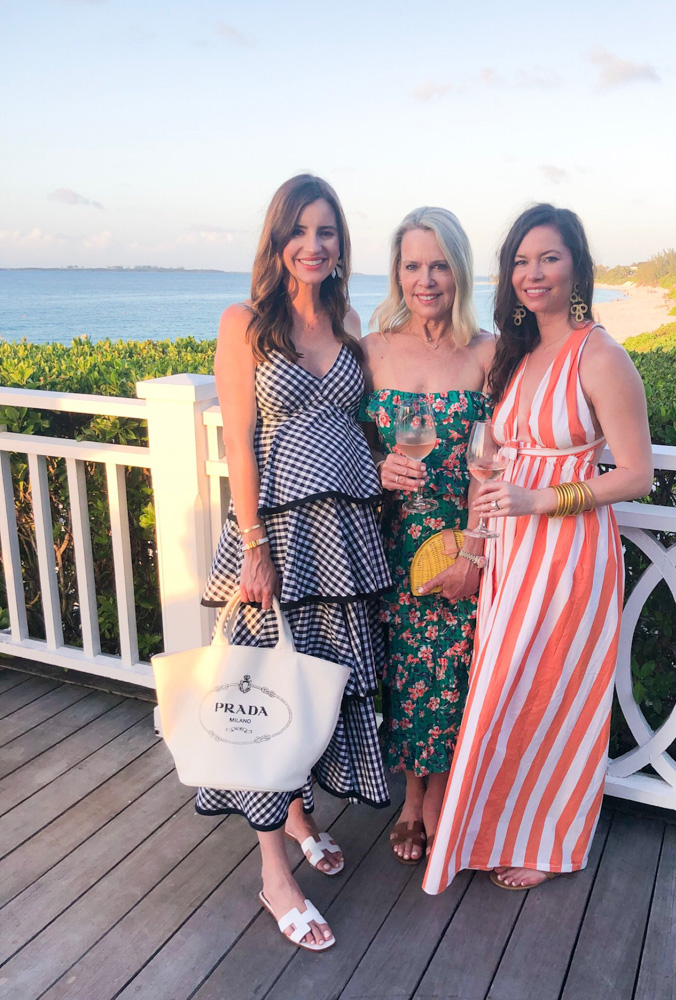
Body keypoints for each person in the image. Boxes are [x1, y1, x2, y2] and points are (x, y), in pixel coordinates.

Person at [423, 204, 653, 894]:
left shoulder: (601, 354)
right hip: (512, 554)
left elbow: (637, 473)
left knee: (558, 693)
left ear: (577, 265)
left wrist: (543, 499)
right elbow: (491, 461)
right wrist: (481, 541)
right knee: (507, 692)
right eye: (520, 262)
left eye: (548, 258)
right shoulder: (517, 353)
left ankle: (553, 843)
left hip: (570, 555)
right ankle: (493, 829)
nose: (533, 273)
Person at [198, 175, 392, 950]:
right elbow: (239, 440)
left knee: (316, 687)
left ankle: (303, 813)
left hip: (343, 538)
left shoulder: (348, 321)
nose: (315, 245)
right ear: (277, 242)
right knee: (264, 701)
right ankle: (275, 873)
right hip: (276, 538)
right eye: (300, 231)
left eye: (328, 231)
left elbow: (366, 426)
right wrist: (253, 544)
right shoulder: (245, 322)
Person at [361, 207, 495, 864]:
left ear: (460, 271)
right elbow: (344, 445)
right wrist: (376, 467)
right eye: (412, 265)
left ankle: (437, 795)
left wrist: (475, 548)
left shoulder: (487, 352)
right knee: (406, 672)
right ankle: (412, 798)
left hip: (455, 541)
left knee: (452, 669)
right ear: (397, 273)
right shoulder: (375, 349)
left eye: (439, 264)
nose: (426, 279)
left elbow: (498, 458)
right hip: (390, 537)